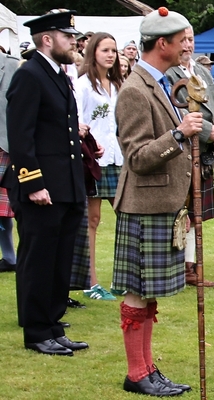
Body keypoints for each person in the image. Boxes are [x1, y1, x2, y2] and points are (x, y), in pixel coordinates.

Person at [112, 7, 200, 396]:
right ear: (161, 43)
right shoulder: (134, 90)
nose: (186, 48)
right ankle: (136, 374)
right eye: (182, 41)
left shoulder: (161, 82)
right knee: (138, 290)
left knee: (148, 293)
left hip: (160, 204)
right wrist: (178, 135)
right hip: (143, 206)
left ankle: (147, 368)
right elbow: (136, 158)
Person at [3, 9, 88, 356]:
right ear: (48, 39)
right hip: (40, 187)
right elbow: (20, 137)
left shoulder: (58, 75)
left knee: (59, 259)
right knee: (38, 260)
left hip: (64, 186)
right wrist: (33, 182)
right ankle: (37, 331)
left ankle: (54, 324)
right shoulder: (30, 75)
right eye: (68, 37)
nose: (74, 42)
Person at [166, 25, 214, 288]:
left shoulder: (202, 70)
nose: (187, 46)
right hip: (182, 151)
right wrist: (209, 131)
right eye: (182, 41)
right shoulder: (168, 74)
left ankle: (190, 269)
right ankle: (176, 268)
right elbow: (177, 113)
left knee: (197, 214)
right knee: (181, 212)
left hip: (205, 153)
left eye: (191, 40)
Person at [74, 32, 123, 301]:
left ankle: (122, 278)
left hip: (118, 159)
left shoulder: (118, 84)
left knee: (125, 217)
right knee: (92, 221)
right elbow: (79, 123)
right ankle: (91, 283)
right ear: (93, 52)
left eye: (114, 51)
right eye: (105, 50)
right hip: (94, 160)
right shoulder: (82, 85)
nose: (110, 55)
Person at [0, 52, 19, 273]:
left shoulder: (14, 66)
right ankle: (9, 257)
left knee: (10, 208)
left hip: (7, 145)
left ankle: (13, 258)